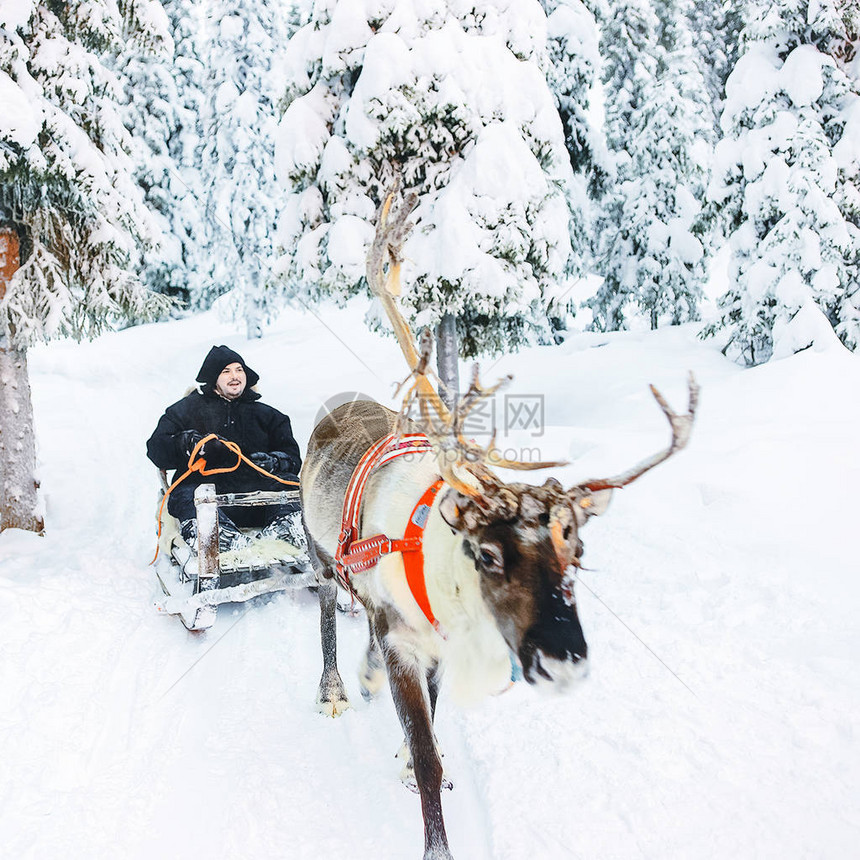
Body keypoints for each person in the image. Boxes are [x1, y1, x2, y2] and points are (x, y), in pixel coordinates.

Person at [146, 345, 305, 555]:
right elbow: (156, 450)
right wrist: (186, 443)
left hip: (258, 498)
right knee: (188, 494)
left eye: (239, 370)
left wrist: (276, 461)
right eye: (226, 371)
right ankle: (221, 540)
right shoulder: (184, 410)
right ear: (213, 377)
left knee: (292, 487)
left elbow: (293, 457)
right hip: (207, 497)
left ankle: (284, 531)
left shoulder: (269, 415)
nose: (235, 376)